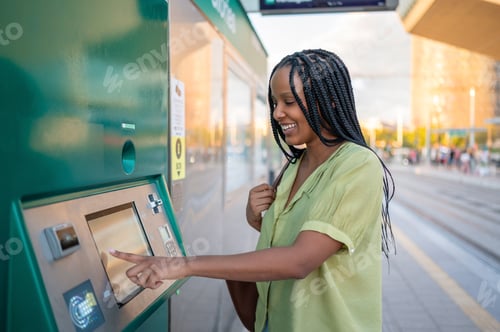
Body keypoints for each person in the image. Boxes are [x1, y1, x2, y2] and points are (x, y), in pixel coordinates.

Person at [110, 49, 395, 332]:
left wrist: (183, 265)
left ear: (329, 102)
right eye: (274, 102)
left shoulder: (358, 165)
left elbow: (300, 260)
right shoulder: (295, 165)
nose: (277, 112)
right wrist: (259, 221)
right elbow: (300, 237)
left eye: (289, 102)